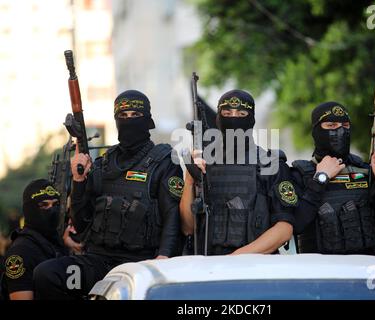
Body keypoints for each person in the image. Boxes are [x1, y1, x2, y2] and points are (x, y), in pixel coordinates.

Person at [34, 90, 183, 299]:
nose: (128, 121)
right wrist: (78, 181)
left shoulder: (164, 161)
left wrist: (164, 255)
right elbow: (82, 221)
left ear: (148, 120)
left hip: (139, 266)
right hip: (98, 264)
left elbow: (172, 213)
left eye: (135, 115)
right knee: (47, 274)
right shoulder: (103, 163)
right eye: (122, 116)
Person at [180, 89, 296, 255]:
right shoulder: (204, 164)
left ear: (252, 119)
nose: (233, 118)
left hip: (255, 268)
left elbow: (284, 229)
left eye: (241, 114)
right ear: (218, 118)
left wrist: (236, 258)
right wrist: (190, 179)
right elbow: (188, 228)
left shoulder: (270, 163)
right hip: (206, 268)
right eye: (227, 113)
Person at [291, 101, 375, 257]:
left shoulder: (366, 170)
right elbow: (295, 225)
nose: (340, 131)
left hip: (367, 265)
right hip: (320, 271)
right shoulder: (299, 174)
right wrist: (320, 179)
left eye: (345, 125)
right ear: (316, 131)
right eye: (331, 125)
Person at [1, 179, 67, 300]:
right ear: (29, 210)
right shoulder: (20, 253)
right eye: (44, 205)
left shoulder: (56, 243)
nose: (52, 211)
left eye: (55, 205)